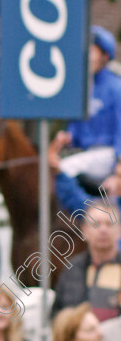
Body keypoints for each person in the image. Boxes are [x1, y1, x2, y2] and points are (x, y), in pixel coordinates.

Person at [53, 26, 121, 189]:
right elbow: (75, 128)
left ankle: (88, 211)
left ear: (105, 56)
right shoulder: (81, 88)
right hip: (84, 153)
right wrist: (66, 138)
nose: (86, 57)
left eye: (91, 52)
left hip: (108, 154)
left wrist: (119, 162)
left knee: (65, 168)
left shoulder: (116, 87)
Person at [51, 201, 121, 321]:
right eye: (96, 224)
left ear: (119, 230)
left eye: (109, 224)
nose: (103, 230)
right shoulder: (72, 269)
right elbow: (57, 316)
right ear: (84, 230)